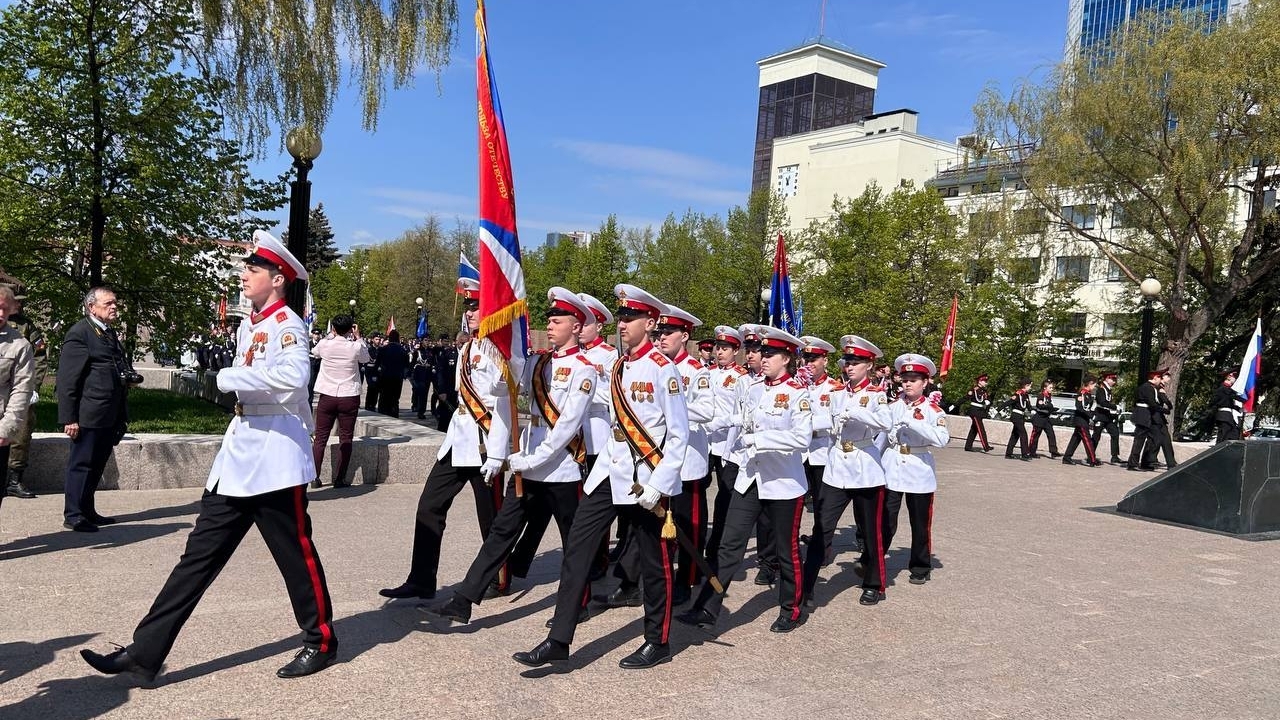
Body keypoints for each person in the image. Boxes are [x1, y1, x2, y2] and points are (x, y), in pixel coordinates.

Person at [80, 230, 338, 681]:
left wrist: (229, 376)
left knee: (295, 557)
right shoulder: (249, 324)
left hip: (276, 458)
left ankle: (321, 641)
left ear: (278, 279)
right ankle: (145, 652)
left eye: (253, 269)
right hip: (241, 456)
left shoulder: (288, 324)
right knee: (197, 557)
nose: (244, 275)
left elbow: (295, 377)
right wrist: (235, 377)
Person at [512, 284, 688, 670]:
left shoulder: (664, 369)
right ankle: (559, 639)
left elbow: (679, 435)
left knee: (654, 562)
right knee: (578, 548)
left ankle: (657, 641)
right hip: (610, 474)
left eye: (631, 318)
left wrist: (660, 483)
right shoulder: (619, 366)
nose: (622, 324)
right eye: (621, 317)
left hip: (646, 480)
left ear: (650, 323)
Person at [422, 287, 597, 625]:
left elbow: (567, 426)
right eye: (549, 319)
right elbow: (508, 401)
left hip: (560, 470)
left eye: (558, 320)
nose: (550, 325)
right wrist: (497, 452)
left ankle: (579, 602)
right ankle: (463, 600)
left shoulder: (584, 369)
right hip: (527, 468)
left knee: (573, 540)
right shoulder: (537, 362)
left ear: (576, 327)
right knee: (501, 533)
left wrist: (532, 458)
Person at [380, 278, 509, 602]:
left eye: (476, 306)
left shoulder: (499, 349)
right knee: (429, 506)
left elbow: (505, 400)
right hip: (459, 440)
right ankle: (422, 579)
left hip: (485, 442)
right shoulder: (467, 347)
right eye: (467, 307)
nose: (470, 312)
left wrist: (498, 451)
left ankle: (498, 578)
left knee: (491, 516)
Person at [678, 326, 811, 634]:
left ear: (786, 358)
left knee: (786, 550)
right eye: (763, 353)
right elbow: (740, 419)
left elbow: (801, 438)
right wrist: (702, 420)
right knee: (729, 545)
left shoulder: (798, 394)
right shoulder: (753, 388)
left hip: (783, 483)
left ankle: (791, 608)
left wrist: (760, 440)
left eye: (770, 354)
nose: (763, 359)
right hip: (750, 477)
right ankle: (707, 606)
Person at [609, 304, 713, 607]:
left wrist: (671, 407)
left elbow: (707, 410)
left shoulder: (695, 371)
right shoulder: (645, 365)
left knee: (686, 524)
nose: (662, 337)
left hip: (686, 460)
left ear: (685, 336)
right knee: (644, 526)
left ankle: (686, 581)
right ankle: (630, 582)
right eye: (661, 331)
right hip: (653, 460)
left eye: (670, 332)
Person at [801, 335, 889, 608]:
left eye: (856, 362)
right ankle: (806, 585)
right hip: (837, 466)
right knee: (822, 528)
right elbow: (824, 420)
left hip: (864, 467)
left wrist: (856, 413)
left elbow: (885, 422)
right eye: (847, 362)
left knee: (870, 531)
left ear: (869, 365)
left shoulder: (876, 394)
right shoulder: (836, 392)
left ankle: (874, 584)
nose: (850, 367)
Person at [57, 286, 133, 532]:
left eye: (115, 303)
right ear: (91, 307)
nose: (114, 307)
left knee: (97, 463)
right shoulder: (80, 333)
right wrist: (69, 418)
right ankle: (74, 514)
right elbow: (67, 380)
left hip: (109, 412)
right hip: (88, 413)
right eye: (108, 303)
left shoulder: (108, 332)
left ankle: (87, 510)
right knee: (81, 464)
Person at [879, 353, 949, 586]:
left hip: (919, 468)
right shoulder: (892, 406)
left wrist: (916, 423)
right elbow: (881, 438)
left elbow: (942, 439)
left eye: (914, 380)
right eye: (905, 379)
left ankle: (920, 566)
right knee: (885, 518)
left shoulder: (933, 410)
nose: (907, 384)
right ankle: (875, 559)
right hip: (892, 465)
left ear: (925, 382)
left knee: (919, 522)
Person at [702, 325, 748, 573]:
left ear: (735, 351)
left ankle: (717, 547)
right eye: (718, 348)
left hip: (726, 444)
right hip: (705, 441)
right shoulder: (707, 373)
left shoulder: (741, 377)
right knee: (697, 490)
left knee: (725, 496)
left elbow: (738, 414)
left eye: (725, 348)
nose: (719, 352)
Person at [310, 315, 370, 488]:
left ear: (333, 329)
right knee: (346, 438)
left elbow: (315, 352)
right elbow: (365, 358)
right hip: (349, 395)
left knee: (320, 438)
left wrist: (331, 335)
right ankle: (340, 478)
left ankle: (314, 477)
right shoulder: (355, 346)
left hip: (327, 395)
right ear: (351, 329)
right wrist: (358, 337)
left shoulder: (325, 344)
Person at [4, 283, 45, 499]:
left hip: (21, 390)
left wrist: (34, 387)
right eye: (16, 301)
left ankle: (14, 479)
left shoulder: (26, 327)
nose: (19, 305)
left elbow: (39, 358)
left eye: (20, 302)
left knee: (21, 433)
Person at [0, 285, 36, 523]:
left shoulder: (19, 345)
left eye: (5, 308)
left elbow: (21, 389)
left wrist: (6, 429)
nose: (1, 314)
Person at [797, 335, 840, 511]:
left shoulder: (834, 388)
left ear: (825, 361)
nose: (809, 363)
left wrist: (807, 425)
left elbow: (835, 419)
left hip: (821, 450)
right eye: (806, 359)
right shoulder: (796, 385)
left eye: (813, 359)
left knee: (821, 504)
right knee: (794, 502)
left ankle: (819, 530)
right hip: (799, 451)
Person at [1127, 369, 1165, 472]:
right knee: (1139, 440)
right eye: (1160, 378)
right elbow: (1152, 403)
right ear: (1155, 377)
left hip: (1148, 416)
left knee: (1155, 438)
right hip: (1143, 415)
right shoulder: (1146, 388)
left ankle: (1146, 461)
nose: (1161, 380)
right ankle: (1132, 463)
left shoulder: (1152, 388)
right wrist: (1163, 410)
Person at [1062, 376, 1102, 466]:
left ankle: (1067, 457)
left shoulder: (1088, 394)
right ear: (1090, 383)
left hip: (1084, 420)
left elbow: (1088, 408)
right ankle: (1092, 459)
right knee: (1087, 440)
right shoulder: (1082, 393)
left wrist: (1094, 415)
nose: (1095, 387)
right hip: (1081, 420)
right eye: (1094, 385)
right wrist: (1092, 416)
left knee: (1075, 439)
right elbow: (1080, 408)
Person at [1091, 372, 1123, 464]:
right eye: (1113, 379)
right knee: (1096, 436)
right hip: (1100, 415)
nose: (1114, 382)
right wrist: (1114, 406)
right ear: (1107, 378)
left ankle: (1114, 456)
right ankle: (1091, 455)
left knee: (1115, 433)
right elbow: (1102, 402)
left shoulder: (1108, 389)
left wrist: (1114, 411)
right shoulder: (1101, 389)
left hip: (1107, 416)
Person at [375, 329, 408, 417]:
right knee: (395, 399)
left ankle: (382, 415)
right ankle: (394, 415)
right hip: (398, 378)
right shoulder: (403, 351)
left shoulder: (383, 349)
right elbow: (406, 365)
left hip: (385, 377)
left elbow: (377, 364)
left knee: (383, 398)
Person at [431, 333, 460, 432]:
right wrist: (442, 390)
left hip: (462, 392)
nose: (463, 345)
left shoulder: (468, 355)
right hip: (448, 390)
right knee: (445, 418)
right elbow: (441, 373)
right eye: (461, 342)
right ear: (456, 342)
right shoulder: (447, 353)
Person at [1028, 379, 1061, 458]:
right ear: (1045, 388)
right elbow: (1040, 405)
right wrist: (1049, 406)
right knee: (1035, 436)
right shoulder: (1041, 395)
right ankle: (1031, 452)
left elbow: (1047, 405)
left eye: (1052, 388)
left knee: (1051, 434)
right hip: (1039, 418)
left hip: (1046, 418)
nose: (1051, 389)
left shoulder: (1048, 396)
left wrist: (1051, 408)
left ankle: (1054, 451)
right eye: (1050, 388)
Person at [1004, 378, 1033, 461]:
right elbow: (1008, 402)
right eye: (1030, 386)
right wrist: (996, 410)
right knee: (1023, 434)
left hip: (1021, 417)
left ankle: (1008, 453)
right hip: (1016, 416)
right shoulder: (1018, 394)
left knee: (1015, 435)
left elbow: (1029, 407)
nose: (1030, 387)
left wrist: (1035, 410)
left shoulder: (1026, 395)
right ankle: (1025, 454)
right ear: (1025, 386)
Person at [962, 374, 994, 452]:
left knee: (974, 429)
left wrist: (988, 402)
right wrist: (954, 405)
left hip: (980, 411)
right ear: (979, 381)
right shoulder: (974, 390)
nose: (986, 383)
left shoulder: (985, 391)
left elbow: (989, 399)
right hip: (975, 411)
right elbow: (965, 398)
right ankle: (986, 446)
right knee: (981, 429)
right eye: (984, 381)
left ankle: (968, 446)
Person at [1213, 370, 1243, 444]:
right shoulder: (1224, 388)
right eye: (1234, 377)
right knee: (1225, 434)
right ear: (1229, 377)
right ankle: (1220, 448)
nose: (1235, 379)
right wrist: (1246, 400)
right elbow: (1232, 397)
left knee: (1230, 433)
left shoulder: (1227, 389)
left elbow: (1228, 403)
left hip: (1226, 415)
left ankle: (1222, 447)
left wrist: (1239, 408)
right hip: (1224, 415)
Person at [410, 338, 434, 419]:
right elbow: (413, 363)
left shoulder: (431, 351)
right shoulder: (418, 352)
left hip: (427, 375)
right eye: (425, 340)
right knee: (420, 393)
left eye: (428, 340)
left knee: (425, 394)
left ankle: (422, 411)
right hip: (419, 375)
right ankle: (418, 409)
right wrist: (410, 374)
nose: (427, 342)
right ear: (422, 341)